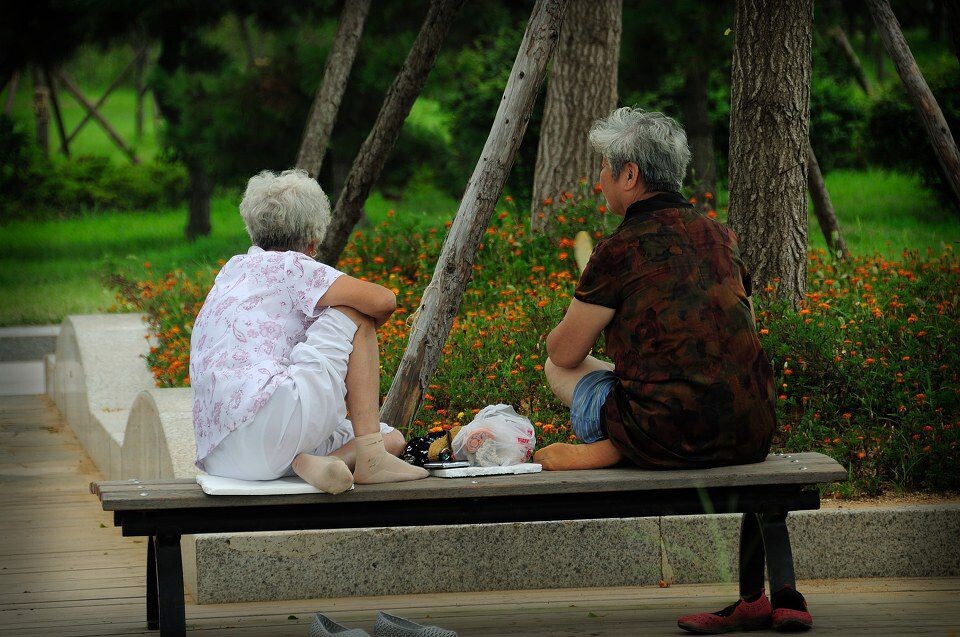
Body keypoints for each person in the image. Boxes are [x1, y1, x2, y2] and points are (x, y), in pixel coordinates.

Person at [533, 108, 812, 632]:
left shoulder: (618, 250)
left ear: (630, 175)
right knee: (705, 394)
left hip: (662, 433)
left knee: (558, 368)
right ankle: (769, 596)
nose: (599, 180)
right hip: (750, 429)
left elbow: (566, 353)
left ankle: (615, 443)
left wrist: (562, 328)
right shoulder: (720, 237)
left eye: (604, 168)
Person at [190, 169, 428, 495]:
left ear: (253, 229)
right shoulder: (292, 265)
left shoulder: (231, 272)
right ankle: (370, 460)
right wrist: (355, 344)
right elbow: (384, 301)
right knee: (357, 313)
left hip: (223, 454)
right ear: (313, 241)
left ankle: (323, 463)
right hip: (271, 417)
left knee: (393, 438)